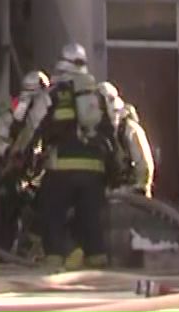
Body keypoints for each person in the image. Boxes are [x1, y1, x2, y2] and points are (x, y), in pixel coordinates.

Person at [16, 43, 114, 270]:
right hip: (94, 170)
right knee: (90, 219)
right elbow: (109, 131)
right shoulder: (98, 95)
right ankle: (97, 267)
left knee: (53, 215)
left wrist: (20, 153)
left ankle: (54, 263)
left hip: (61, 167)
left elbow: (33, 126)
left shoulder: (52, 93)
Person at [99, 82, 156, 199]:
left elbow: (144, 168)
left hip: (131, 197)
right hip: (108, 195)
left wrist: (136, 190)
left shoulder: (130, 130)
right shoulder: (97, 133)